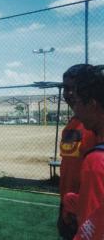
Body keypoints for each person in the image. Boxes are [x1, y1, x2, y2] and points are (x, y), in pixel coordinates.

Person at [63, 64, 104, 239]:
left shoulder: (95, 131)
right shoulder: (72, 124)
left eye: (75, 89)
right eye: (66, 88)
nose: (70, 94)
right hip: (73, 204)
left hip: (89, 210)